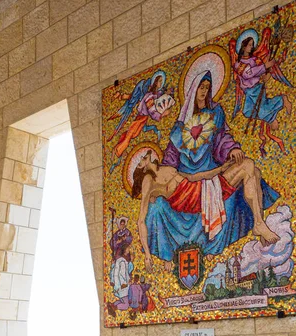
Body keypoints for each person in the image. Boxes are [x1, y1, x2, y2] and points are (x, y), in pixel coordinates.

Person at [144, 69, 280, 269]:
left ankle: (259, 223)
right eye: (201, 86)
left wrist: (232, 149)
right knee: (250, 168)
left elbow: (221, 138)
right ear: (192, 90)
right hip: (191, 187)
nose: (204, 91)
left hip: (212, 177)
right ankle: (258, 224)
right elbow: (170, 162)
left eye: (207, 87)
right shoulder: (178, 129)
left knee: (253, 170)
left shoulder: (215, 113)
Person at [132, 150, 233, 272]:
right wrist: (147, 255)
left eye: (143, 157)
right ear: (142, 169)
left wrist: (220, 169)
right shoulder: (148, 180)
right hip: (190, 200)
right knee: (228, 184)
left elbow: (192, 177)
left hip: (197, 189)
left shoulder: (167, 168)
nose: (143, 158)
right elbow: (141, 220)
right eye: (141, 162)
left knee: (226, 183)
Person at [230, 32, 292, 154]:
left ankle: (282, 100)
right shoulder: (238, 64)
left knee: (262, 107)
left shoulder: (254, 59)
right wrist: (264, 67)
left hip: (257, 87)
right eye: (249, 45)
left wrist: (266, 73)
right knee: (247, 111)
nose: (251, 47)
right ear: (243, 46)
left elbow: (262, 70)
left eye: (252, 45)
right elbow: (248, 73)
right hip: (249, 91)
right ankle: (277, 107)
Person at [108, 70, 172, 172]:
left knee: (129, 134)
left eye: (161, 81)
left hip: (142, 119)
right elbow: (152, 111)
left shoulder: (153, 94)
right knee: (129, 136)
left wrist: (166, 93)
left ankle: (118, 150)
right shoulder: (149, 96)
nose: (160, 84)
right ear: (155, 82)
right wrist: (163, 114)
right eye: (159, 81)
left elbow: (159, 95)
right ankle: (117, 152)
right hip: (140, 119)